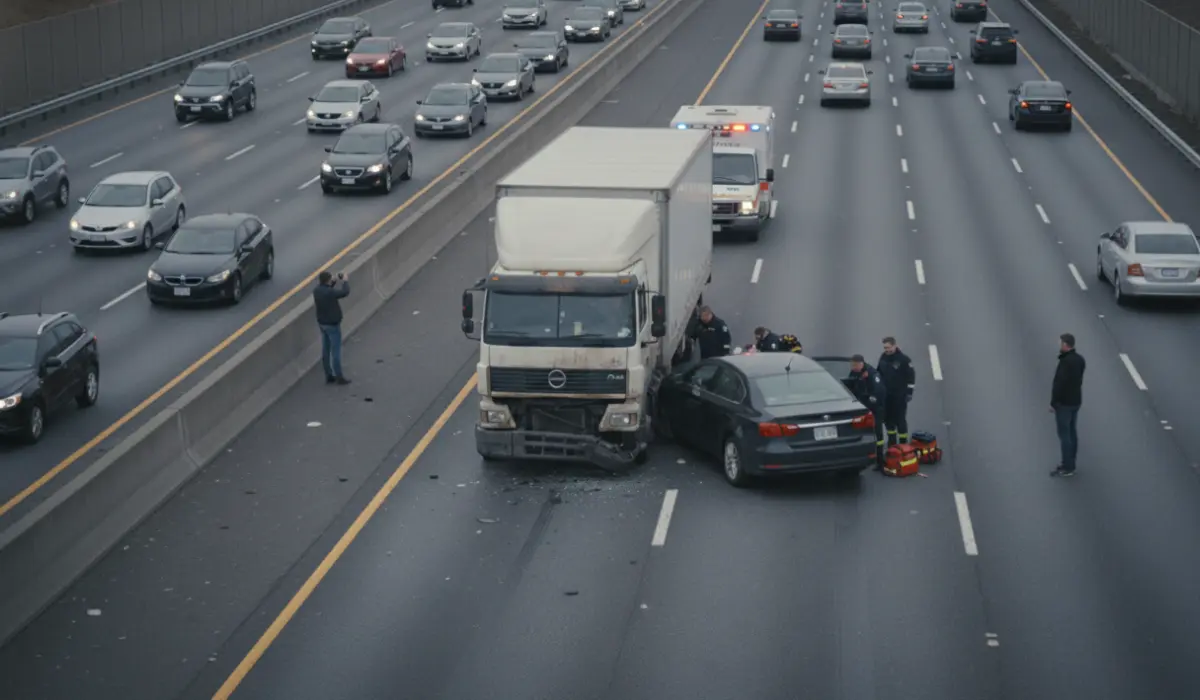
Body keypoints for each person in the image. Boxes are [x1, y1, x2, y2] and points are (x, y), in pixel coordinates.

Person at [1050, 332, 1085, 477]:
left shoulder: (1065, 362)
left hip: (1064, 403)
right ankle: (1072, 462)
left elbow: (1059, 384)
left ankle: (1067, 466)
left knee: (1064, 435)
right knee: (1072, 432)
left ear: (1065, 345)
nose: (1059, 345)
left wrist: (1053, 402)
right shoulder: (1080, 360)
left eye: (1060, 343)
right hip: (1075, 401)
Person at [849, 354, 888, 469]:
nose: (853, 368)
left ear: (861, 364)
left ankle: (880, 460)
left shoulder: (872, 374)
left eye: (855, 365)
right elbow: (850, 386)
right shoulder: (854, 373)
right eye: (852, 365)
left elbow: (879, 392)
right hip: (862, 408)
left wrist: (871, 402)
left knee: (877, 434)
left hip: (875, 409)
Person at [314, 270, 351, 385]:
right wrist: (345, 281)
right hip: (332, 324)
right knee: (336, 351)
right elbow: (344, 292)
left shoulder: (316, 291)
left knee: (326, 349)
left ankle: (328, 375)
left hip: (322, 324)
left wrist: (333, 282)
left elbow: (327, 290)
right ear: (328, 280)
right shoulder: (330, 292)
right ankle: (339, 376)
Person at [877, 336, 915, 446]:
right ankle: (892, 442)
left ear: (894, 346)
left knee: (900, 419)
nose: (887, 350)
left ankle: (903, 443)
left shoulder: (904, 360)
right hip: (886, 395)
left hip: (899, 395)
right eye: (885, 348)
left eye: (889, 347)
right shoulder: (883, 357)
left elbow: (911, 377)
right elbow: (879, 373)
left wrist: (909, 392)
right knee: (888, 419)